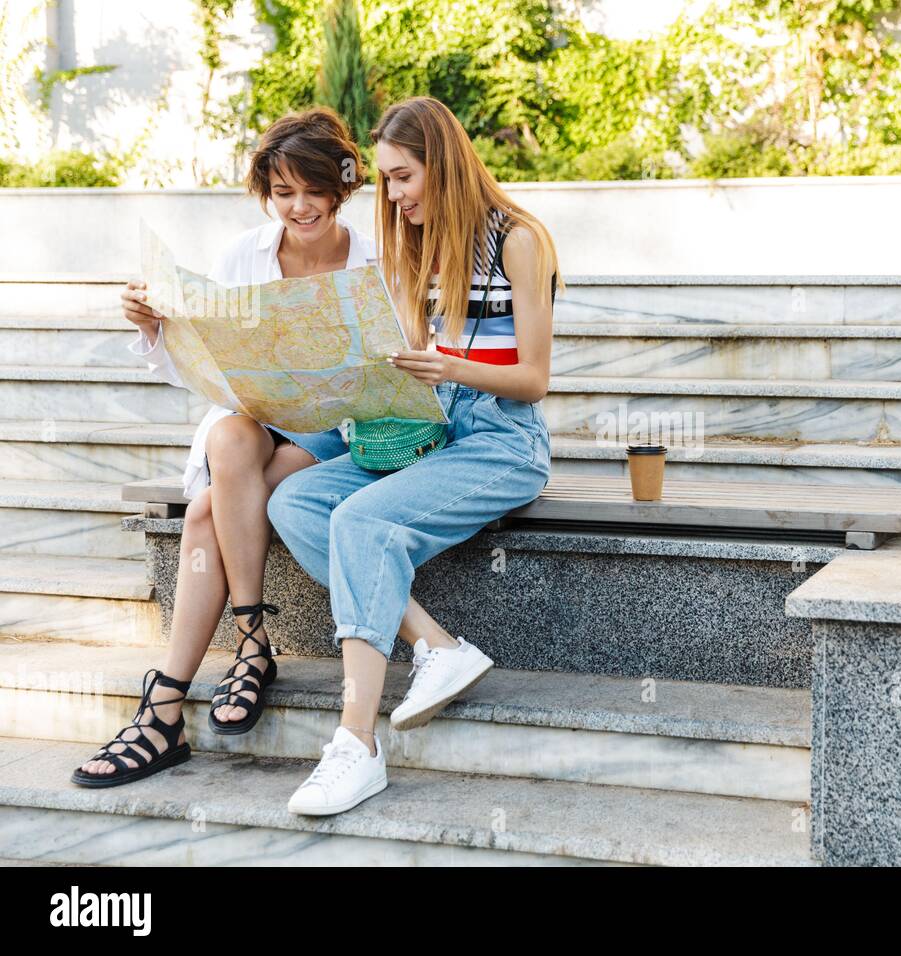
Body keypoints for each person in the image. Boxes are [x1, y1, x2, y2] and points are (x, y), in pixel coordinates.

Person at [266, 96, 560, 815]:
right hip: (429, 427)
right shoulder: (417, 243)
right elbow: (405, 360)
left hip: (501, 437)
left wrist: (449, 368)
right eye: (390, 181)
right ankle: (434, 644)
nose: (392, 195)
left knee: (361, 524)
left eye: (402, 177)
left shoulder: (520, 239)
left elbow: (535, 379)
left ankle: (356, 742)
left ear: (443, 164)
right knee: (295, 502)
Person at [72, 107, 375, 787]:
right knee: (229, 432)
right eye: (283, 191)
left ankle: (171, 702)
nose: (299, 207)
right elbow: (205, 368)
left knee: (210, 510)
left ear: (342, 185)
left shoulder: (373, 256)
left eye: (313, 190)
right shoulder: (244, 254)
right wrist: (158, 330)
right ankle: (248, 640)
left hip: (336, 432)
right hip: (253, 422)